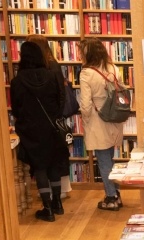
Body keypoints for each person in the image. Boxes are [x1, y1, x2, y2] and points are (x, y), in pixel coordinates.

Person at [10, 41, 69, 222]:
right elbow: (61, 100)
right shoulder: (51, 76)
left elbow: (16, 108)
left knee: (40, 167)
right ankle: (58, 203)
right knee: (53, 164)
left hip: (31, 130)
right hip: (51, 127)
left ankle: (47, 208)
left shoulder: (17, 81)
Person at [79, 38, 125, 211]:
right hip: (114, 118)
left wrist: (86, 120)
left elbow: (85, 104)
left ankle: (111, 197)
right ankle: (116, 193)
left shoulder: (86, 73)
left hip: (98, 121)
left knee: (104, 161)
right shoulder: (113, 68)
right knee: (110, 158)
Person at [25, 34, 73, 197]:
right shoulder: (53, 65)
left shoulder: (48, 67)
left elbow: (60, 94)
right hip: (52, 119)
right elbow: (60, 94)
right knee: (55, 156)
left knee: (46, 159)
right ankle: (56, 195)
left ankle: (50, 195)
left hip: (42, 122)